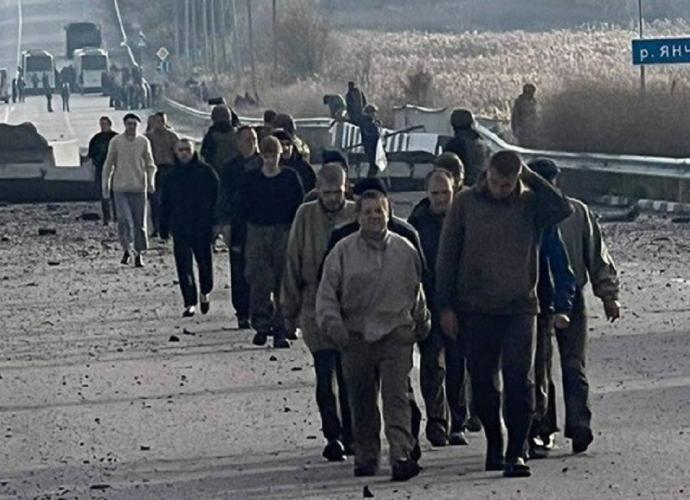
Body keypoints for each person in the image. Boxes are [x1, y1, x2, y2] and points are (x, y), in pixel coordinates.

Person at [436, 150, 572, 478]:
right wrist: (445, 306)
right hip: (476, 307)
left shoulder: (530, 204)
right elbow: (447, 256)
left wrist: (529, 176)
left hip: (520, 307)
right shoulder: (465, 203)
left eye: (507, 184)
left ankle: (516, 451)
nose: (500, 189)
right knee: (483, 381)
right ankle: (495, 442)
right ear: (487, 174)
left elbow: (562, 208)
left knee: (519, 381)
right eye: (496, 182)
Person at [317, 189, 430, 482]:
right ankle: (367, 456)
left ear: (388, 213)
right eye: (367, 212)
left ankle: (401, 455)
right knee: (361, 400)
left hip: (396, 334)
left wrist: (422, 322)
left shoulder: (405, 250)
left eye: (379, 211)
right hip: (355, 336)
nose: (373, 217)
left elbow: (416, 291)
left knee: (397, 397)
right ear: (358, 217)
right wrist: (334, 327)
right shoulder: (342, 252)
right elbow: (326, 296)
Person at [530, 158, 620, 455]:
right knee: (539, 367)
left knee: (573, 364)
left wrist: (608, 295)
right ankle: (542, 427)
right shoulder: (522, 213)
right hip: (535, 298)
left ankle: (580, 425)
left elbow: (596, 254)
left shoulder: (576, 212)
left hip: (571, 297)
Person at [281, 163, 357, 462]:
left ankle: (353, 433)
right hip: (314, 303)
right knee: (325, 374)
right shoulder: (305, 215)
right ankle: (332, 434)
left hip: (350, 305)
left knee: (350, 375)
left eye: (338, 192)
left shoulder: (355, 213)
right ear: (318, 190)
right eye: (327, 193)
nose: (333, 199)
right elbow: (293, 260)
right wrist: (289, 311)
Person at [408, 169, 463, 447]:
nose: (441, 198)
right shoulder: (416, 224)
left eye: (446, 192)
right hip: (428, 302)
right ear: (427, 193)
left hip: (462, 303)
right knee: (433, 364)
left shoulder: (465, 219)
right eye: (435, 193)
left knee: (458, 364)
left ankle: (458, 421)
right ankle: (437, 421)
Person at [238, 136, 304, 349]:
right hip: (257, 231)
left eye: (273, 155)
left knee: (283, 281)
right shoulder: (251, 179)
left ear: (279, 155)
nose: (270, 160)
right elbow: (242, 208)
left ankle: (281, 328)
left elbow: (299, 206)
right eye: (266, 156)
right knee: (259, 280)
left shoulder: (290, 178)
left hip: (283, 231)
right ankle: (261, 324)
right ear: (261, 156)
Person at [160, 139, 219, 317]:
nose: (184, 153)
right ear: (175, 152)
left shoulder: (206, 172)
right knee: (183, 266)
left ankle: (205, 292)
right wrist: (163, 227)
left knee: (205, 263)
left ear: (193, 151)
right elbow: (165, 203)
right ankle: (189, 302)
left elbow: (217, 198)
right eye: (181, 150)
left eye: (187, 149)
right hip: (180, 226)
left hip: (203, 225)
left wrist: (217, 223)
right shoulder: (171, 176)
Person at [217, 126, 261, 329]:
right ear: (238, 143)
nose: (251, 143)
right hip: (238, 225)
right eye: (247, 139)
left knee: (261, 269)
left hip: (260, 224)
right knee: (239, 269)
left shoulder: (264, 164)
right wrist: (224, 224)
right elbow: (223, 198)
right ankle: (242, 312)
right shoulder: (230, 168)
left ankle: (261, 309)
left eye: (254, 139)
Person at [102, 113, 157, 268]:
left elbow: (150, 165)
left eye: (134, 124)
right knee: (124, 220)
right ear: (124, 125)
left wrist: (151, 182)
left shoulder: (143, 141)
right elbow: (108, 165)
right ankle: (127, 249)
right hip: (120, 188)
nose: (132, 127)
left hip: (139, 187)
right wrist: (105, 186)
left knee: (139, 223)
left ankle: (139, 254)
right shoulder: (116, 142)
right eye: (129, 124)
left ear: (138, 125)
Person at [145, 112, 180, 237]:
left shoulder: (172, 136)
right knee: (154, 201)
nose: (160, 124)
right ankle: (156, 227)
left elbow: (178, 153)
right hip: (154, 169)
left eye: (162, 121)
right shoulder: (148, 137)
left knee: (169, 199)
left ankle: (169, 228)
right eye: (157, 121)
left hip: (169, 169)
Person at [443, 109, 489, 186]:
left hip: (464, 186)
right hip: (480, 185)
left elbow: (447, 170)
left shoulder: (455, 144)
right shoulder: (480, 141)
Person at [88, 117, 119, 225]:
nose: (103, 126)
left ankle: (117, 217)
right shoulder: (96, 139)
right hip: (101, 168)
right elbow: (91, 154)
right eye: (101, 124)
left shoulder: (116, 137)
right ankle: (107, 218)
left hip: (116, 168)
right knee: (104, 193)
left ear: (109, 124)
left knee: (116, 193)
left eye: (105, 124)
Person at [272, 129, 316, 194]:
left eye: (288, 144)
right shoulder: (268, 168)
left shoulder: (304, 167)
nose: (286, 148)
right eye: (281, 144)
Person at [200, 104, 239, 175]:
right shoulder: (237, 134)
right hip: (235, 171)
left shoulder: (211, 135)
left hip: (217, 171)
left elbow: (205, 154)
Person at [511, 83, 539, 148]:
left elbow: (535, 115)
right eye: (530, 92)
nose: (532, 94)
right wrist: (516, 129)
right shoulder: (519, 102)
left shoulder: (534, 102)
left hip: (532, 130)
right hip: (522, 130)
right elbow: (515, 117)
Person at [360, 104, 383, 178]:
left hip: (373, 146)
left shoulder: (370, 122)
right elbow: (368, 134)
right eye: (374, 112)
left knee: (374, 166)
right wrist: (377, 135)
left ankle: (371, 178)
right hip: (370, 147)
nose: (375, 115)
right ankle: (370, 179)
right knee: (373, 166)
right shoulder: (366, 122)